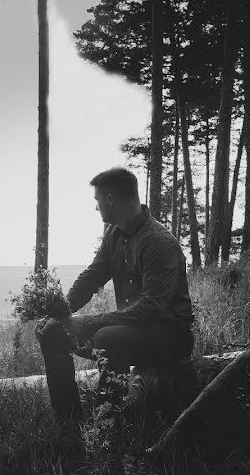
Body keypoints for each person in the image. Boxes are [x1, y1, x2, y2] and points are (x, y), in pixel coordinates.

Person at [35, 167, 194, 423]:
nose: (96, 207)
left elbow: (151, 309)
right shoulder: (114, 234)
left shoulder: (157, 241)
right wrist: (59, 314)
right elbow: (91, 278)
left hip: (169, 333)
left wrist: (86, 322)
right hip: (133, 329)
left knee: (108, 337)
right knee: (53, 332)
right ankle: (69, 422)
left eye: (97, 200)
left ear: (110, 199)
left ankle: (110, 424)